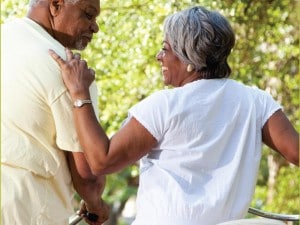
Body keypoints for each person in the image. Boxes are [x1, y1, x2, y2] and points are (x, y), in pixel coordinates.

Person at [49, 6, 299, 225]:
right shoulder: (256, 101)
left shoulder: (165, 105)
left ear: (189, 58)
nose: (159, 56)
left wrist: (80, 93)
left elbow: (102, 161)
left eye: (165, 48)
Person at [1, 0, 109, 224]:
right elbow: (88, 176)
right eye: (88, 15)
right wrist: (96, 205)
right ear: (56, 5)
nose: (96, 28)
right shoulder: (70, 73)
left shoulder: (6, 35)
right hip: (28, 210)